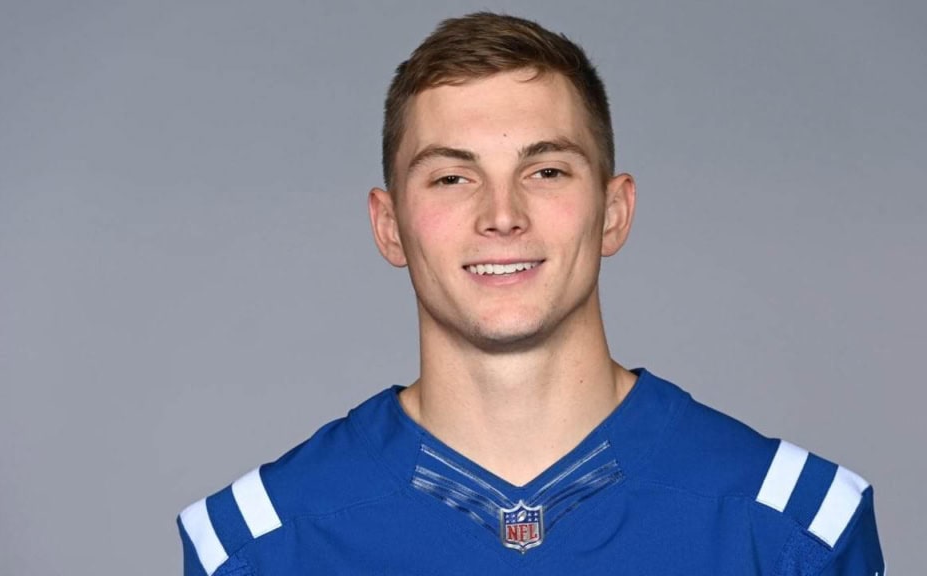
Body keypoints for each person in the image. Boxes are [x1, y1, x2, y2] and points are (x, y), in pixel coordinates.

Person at [177, 12, 885, 575]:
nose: (502, 214)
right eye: (452, 177)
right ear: (389, 226)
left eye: (546, 170)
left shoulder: (793, 522)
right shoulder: (258, 543)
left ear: (613, 212)